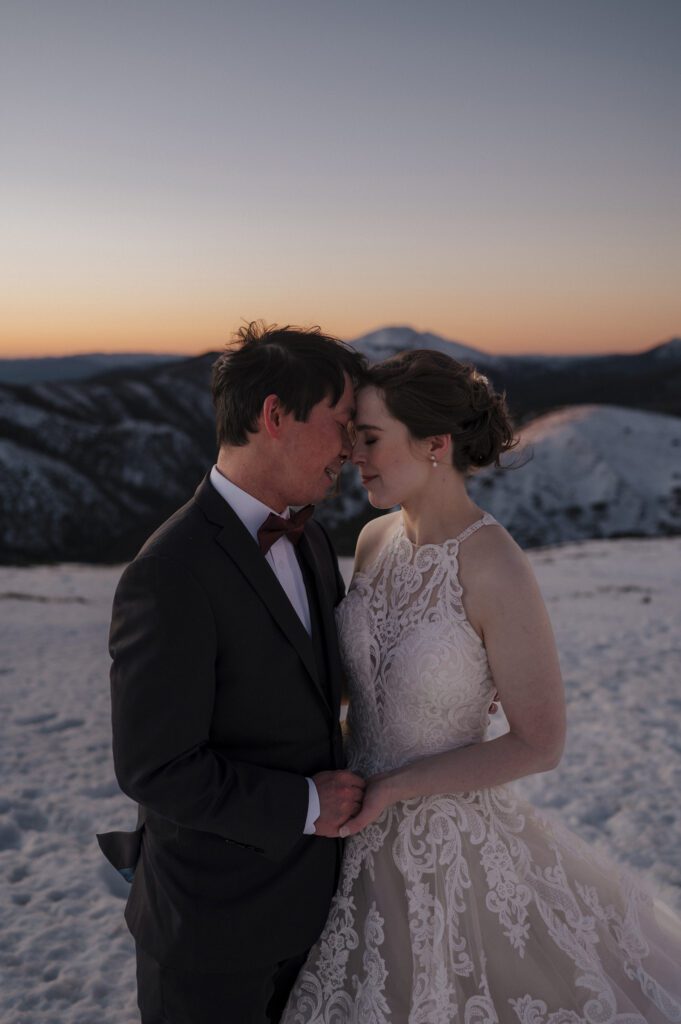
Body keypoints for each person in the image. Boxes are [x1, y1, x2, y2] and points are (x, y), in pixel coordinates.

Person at [282, 349, 681, 1023]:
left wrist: (394, 788)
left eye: (370, 438)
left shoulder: (493, 563)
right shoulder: (375, 539)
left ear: (435, 444)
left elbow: (538, 742)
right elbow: (365, 681)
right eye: (354, 438)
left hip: (445, 848)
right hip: (344, 831)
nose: (354, 454)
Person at [97, 322, 368, 1024]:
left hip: (314, 914)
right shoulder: (170, 571)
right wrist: (307, 805)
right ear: (275, 416)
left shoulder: (312, 541)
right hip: (211, 930)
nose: (350, 447)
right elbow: (156, 769)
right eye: (340, 423)